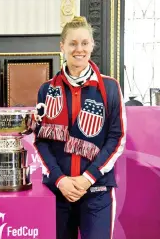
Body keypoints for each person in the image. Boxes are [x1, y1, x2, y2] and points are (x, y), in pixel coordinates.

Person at [34, 16, 126, 239]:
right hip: (57, 191)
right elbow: (40, 141)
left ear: (92, 45)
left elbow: (116, 138)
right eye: (73, 43)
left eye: (85, 43)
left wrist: (88, 178)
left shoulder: (110, 87)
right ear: (62, 46)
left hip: (96, 191)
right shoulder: (46, 90)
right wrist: (60, 179)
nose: (79, 49)